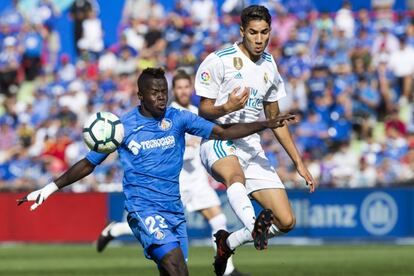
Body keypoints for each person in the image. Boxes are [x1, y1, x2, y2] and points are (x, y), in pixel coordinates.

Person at [18, 68, 294, 276]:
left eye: (164, 91)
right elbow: (89, 163)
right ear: (140, 95)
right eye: (155, 92)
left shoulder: (178, 118)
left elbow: (222, 132)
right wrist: (49, 188)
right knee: (178, 269)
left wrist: (265, 124)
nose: (161, 96)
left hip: (174, 211)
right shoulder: (123, 128)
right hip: (144, 210)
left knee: (171, 271)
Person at [194, 5, 316, 275]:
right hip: (219, 137)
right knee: (234, 177)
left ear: (270, 32)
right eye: (253, 33)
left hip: (250, 145)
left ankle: (228, 242)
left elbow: (274, 119)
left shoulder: (270, 66)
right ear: (242, 32)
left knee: (286, 221)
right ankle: (252, 226)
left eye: (264, 33)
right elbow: (204, 109)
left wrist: (298, 162)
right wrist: (227, 107)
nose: (259, 39)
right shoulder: (220, 60)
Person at [95, 70, 249, 276]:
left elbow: (211, 133)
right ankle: (114, 230)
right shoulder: (166, 112)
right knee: (160, 233)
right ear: (174, 91)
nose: (184, 91)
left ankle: (228, 271)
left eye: (187, 87)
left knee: (218, 220)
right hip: (175, 184)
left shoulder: (194, 111)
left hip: (197, 180)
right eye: (180, 88)